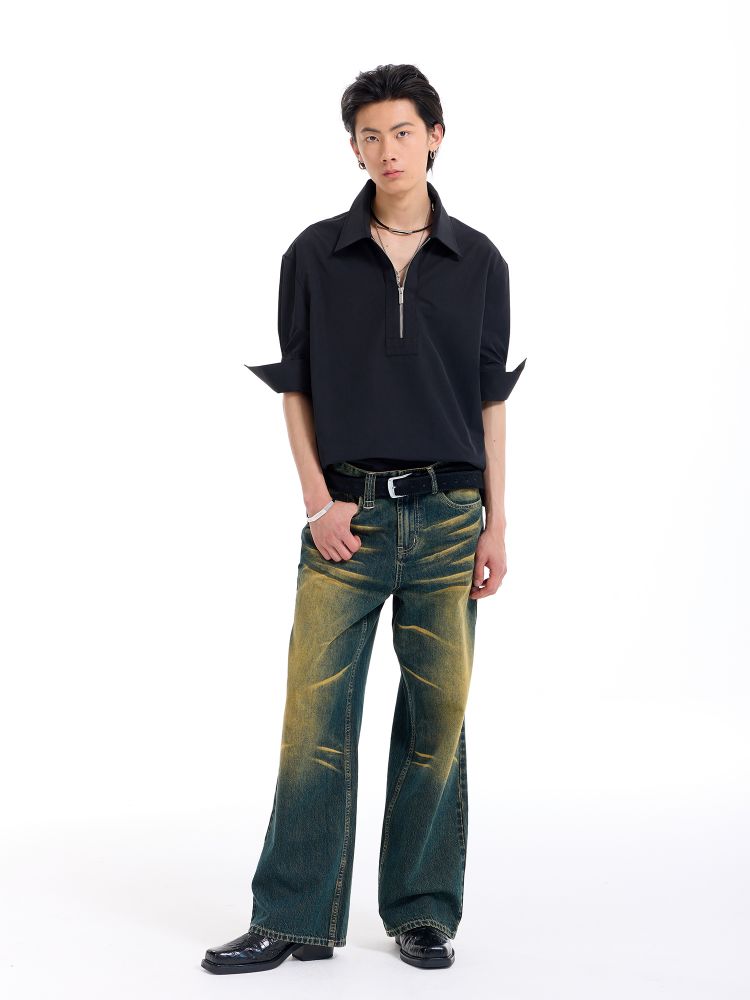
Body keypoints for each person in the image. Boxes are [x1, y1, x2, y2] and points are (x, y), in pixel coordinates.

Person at [201, 62, 526, 975]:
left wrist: (498, 522)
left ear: (435, 136)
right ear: (353, 147)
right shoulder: (314, 254)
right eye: (370, 136)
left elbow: (490, 400)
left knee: (438, 719)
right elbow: (295, 386)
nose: (387, 150)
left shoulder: (480, 262)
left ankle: (422, 911)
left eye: (402, 132)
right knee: (313, 718)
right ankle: (293, 916)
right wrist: (317, 502)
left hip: (451, 516)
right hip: (346, 518)